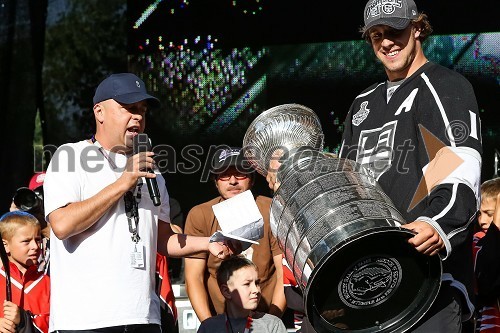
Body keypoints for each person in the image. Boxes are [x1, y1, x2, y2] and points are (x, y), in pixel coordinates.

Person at [43, 73, 234, 333]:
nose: (138, 117)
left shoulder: (151, 171)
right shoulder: (71, 156)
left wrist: (209, 243)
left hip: (142, 317)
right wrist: (122, 183)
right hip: (85, 320)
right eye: (129, 109)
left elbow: (162, 239)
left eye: (142, 111)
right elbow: (62, 224)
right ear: (99, 112)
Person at [337, 0, 482, 331]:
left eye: (395, 31)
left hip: (432, 281)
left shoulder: (443, 85)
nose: (386, 41)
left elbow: (461, 164)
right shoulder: (362, 103)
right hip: (373, 284)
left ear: (418, 28)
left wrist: (438, 222)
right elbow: (346, 185)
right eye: (377, 34)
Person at [184, 147, 285, 322]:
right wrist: (210, 325)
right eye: (224, 175)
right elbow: (194, 277)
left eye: (240, 174)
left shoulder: (272, 209)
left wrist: (270, 323)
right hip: (221, 320)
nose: (232, 181)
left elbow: (283, 274)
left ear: (252, 179)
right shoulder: (200, 214)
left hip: (267, 316)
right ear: (216, 181)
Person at [197, 255, 287, 333]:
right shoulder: (209, 327)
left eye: (256, 283)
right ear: (226, 291)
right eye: (247, 284)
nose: (256, 290)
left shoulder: (272, 325)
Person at [0, 211, 50, 333]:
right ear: (5, 245)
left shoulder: (48, 283)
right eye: (26, 241)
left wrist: (23, 320)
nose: (35, 246)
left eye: (38, 240)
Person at [473, 178, 500, 332]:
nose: (482, 221)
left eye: (490, 214)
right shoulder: (478, 240)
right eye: (479, 214)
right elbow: (486, 274)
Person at [10, 172, 50, 274]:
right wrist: (13, 221)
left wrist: (44, 226)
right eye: (37, 195)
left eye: (46, 194)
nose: (42, 200)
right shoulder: (25, 232)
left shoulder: (66, 224)